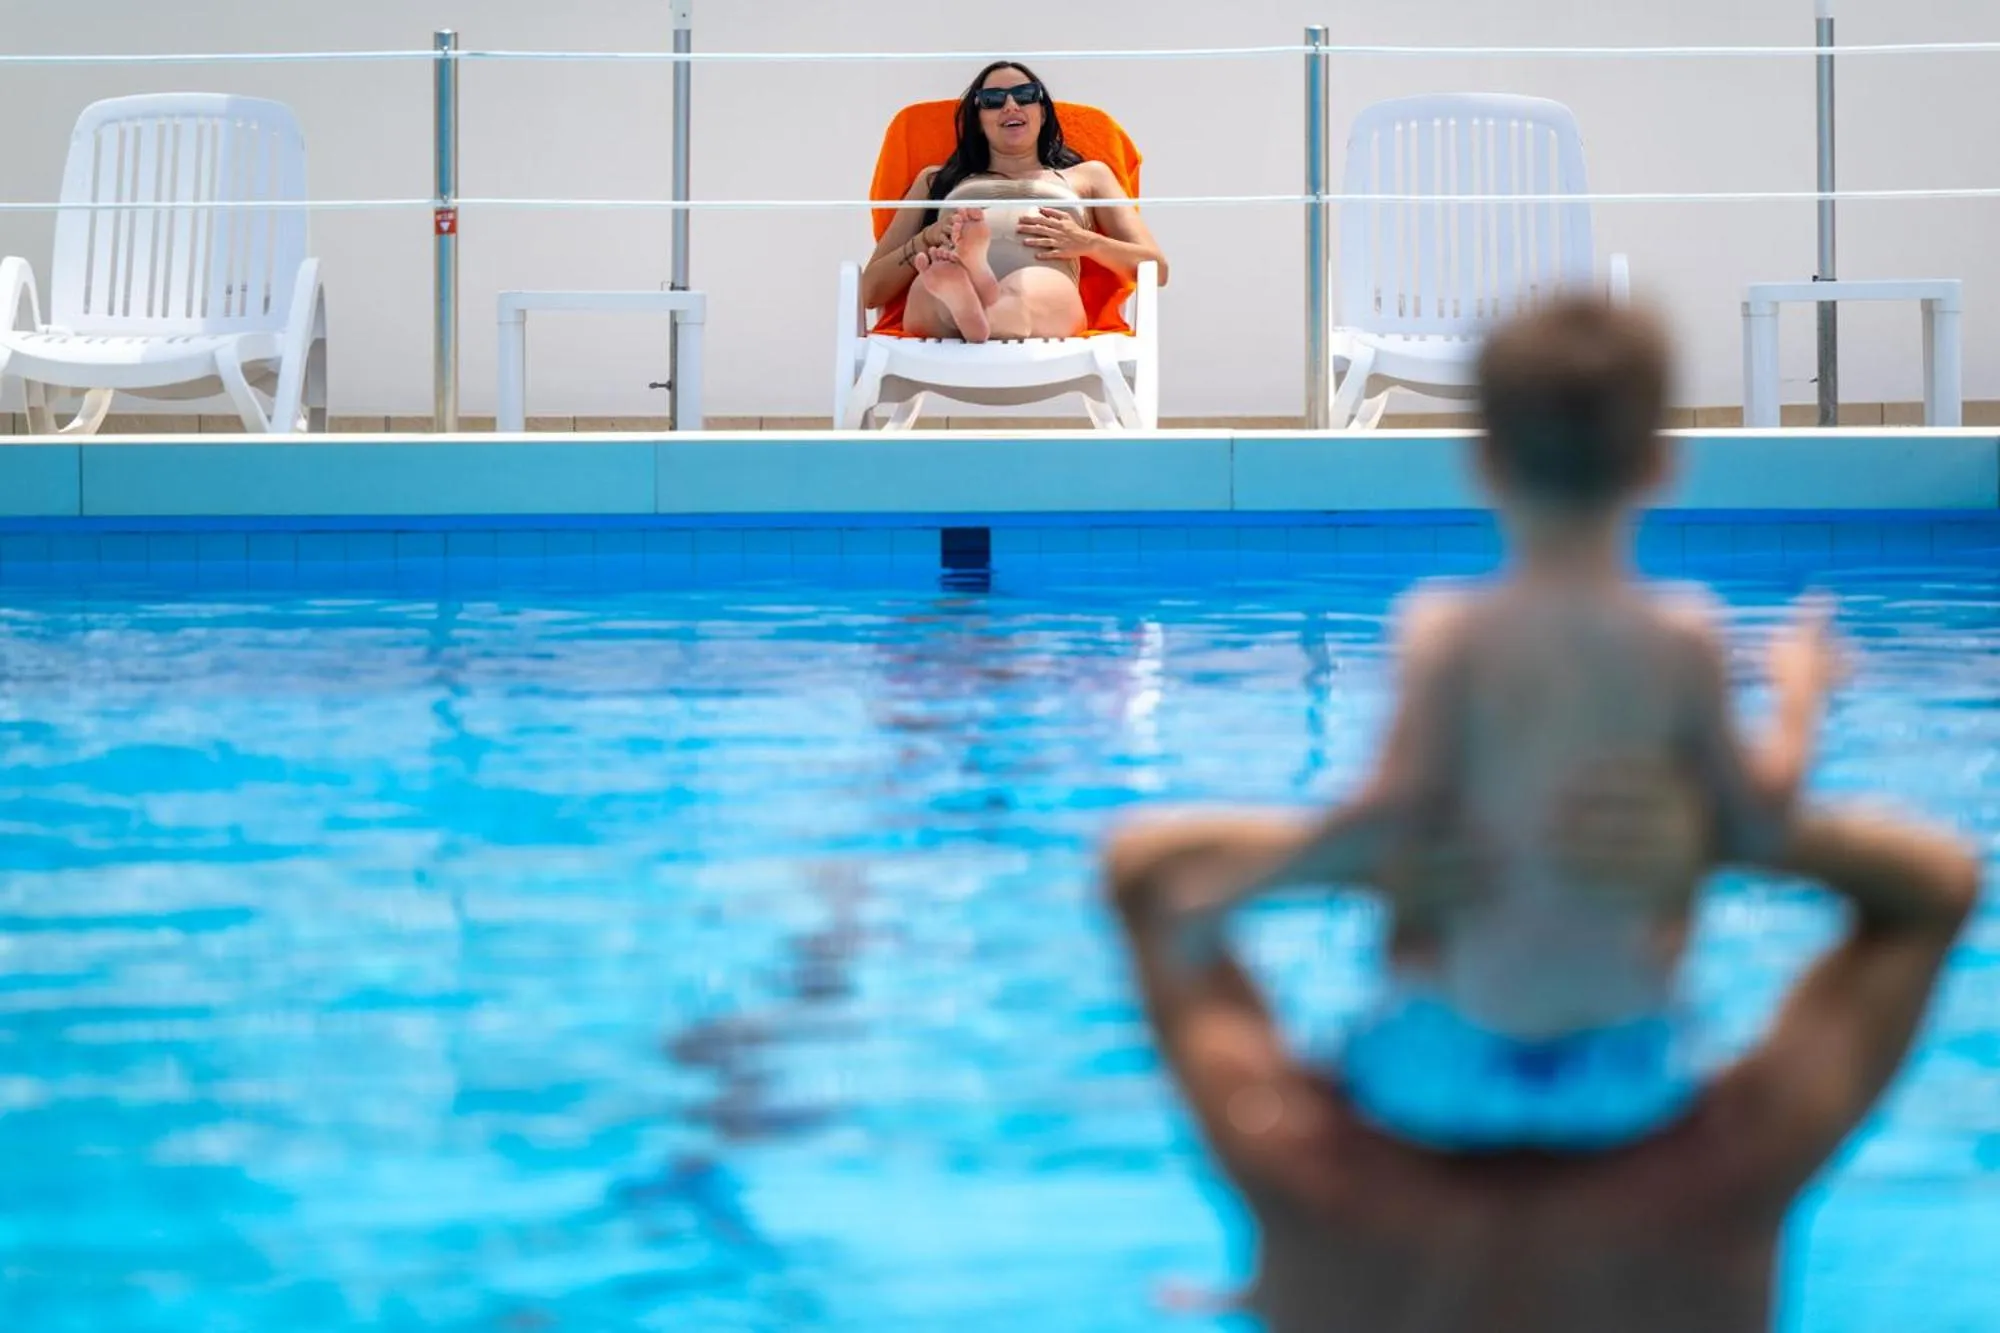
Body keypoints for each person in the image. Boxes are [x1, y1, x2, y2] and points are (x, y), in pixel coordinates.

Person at [1168, 298, 1843, 1153]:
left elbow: (1384, 814)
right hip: (1628, 1076)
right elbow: (1756, 819)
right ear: (1661, 464)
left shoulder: (1447, 630)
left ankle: (1298, 1256)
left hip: (1450, 1070)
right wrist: (1800, 694)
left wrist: (1228, 897)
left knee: (1351, 980)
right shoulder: (1684, 637)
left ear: (1482, 461)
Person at [1105, 763, 1980, 1332]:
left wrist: (1369, 851)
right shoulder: (1722, 1171)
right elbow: (1931, 890)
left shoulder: (1312, 1165)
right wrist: (1712, 837)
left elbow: (1148, 874)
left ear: (1402, 950)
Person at [857, 60, 1169, 344]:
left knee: (1023, 290)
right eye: (992, 100)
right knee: (935, 288)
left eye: (1024, 94)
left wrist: (1086, 242)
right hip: (948, 274)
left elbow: (1157, 269)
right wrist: (926, 239)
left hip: (1044, 284)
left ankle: (973, 301)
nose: (1010, 105)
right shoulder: (934, 180)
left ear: (1043, 111)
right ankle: (975, 294)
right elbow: (871, 291)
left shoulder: (1089, 177)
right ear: (978, 121)